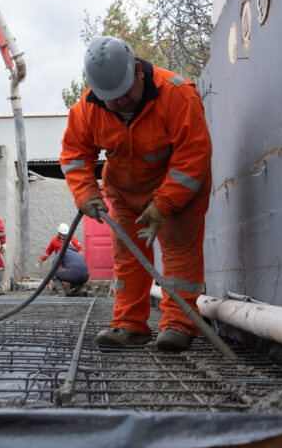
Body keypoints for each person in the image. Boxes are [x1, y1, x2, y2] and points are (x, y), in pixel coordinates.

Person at [60, 36, 212, 352]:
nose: (119, 103)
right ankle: (130, 325)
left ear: (139, 73)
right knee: (129, 258)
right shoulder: (88, 108)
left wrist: (166, 202)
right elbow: (75, 154)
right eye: (110, 98)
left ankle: (179, 326)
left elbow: (193, 156)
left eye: (125, 94)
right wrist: (87, 193)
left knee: (179, 253)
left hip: (178, 191)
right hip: (126, 193)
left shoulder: (178, 95)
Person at [37, 223, 89, 296]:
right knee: (72, 278)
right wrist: (42, 259)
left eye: (65, 235)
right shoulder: (54, 240)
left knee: (56, 274)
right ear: (58, 233)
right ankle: (80, 289)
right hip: (62, 265)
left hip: (70, 266)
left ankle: (62, 293)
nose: (63, 237)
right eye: (62, 235)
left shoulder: (73, 239)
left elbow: (80, 249)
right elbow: (48, 251)